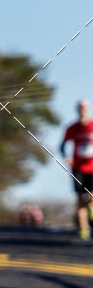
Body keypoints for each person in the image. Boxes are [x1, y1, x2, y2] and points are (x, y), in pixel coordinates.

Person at [61, 99, 93, 239]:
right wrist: (66, 157)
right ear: (77, 109)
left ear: (88, 109)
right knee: (80, 198)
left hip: (92, 167)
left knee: (91, 197)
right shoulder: (72, 128)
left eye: (85, 107)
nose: (83, 109)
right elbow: (62, 145)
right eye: (80, 107)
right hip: (78, 168)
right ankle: (84, 229)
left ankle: (91, 211)